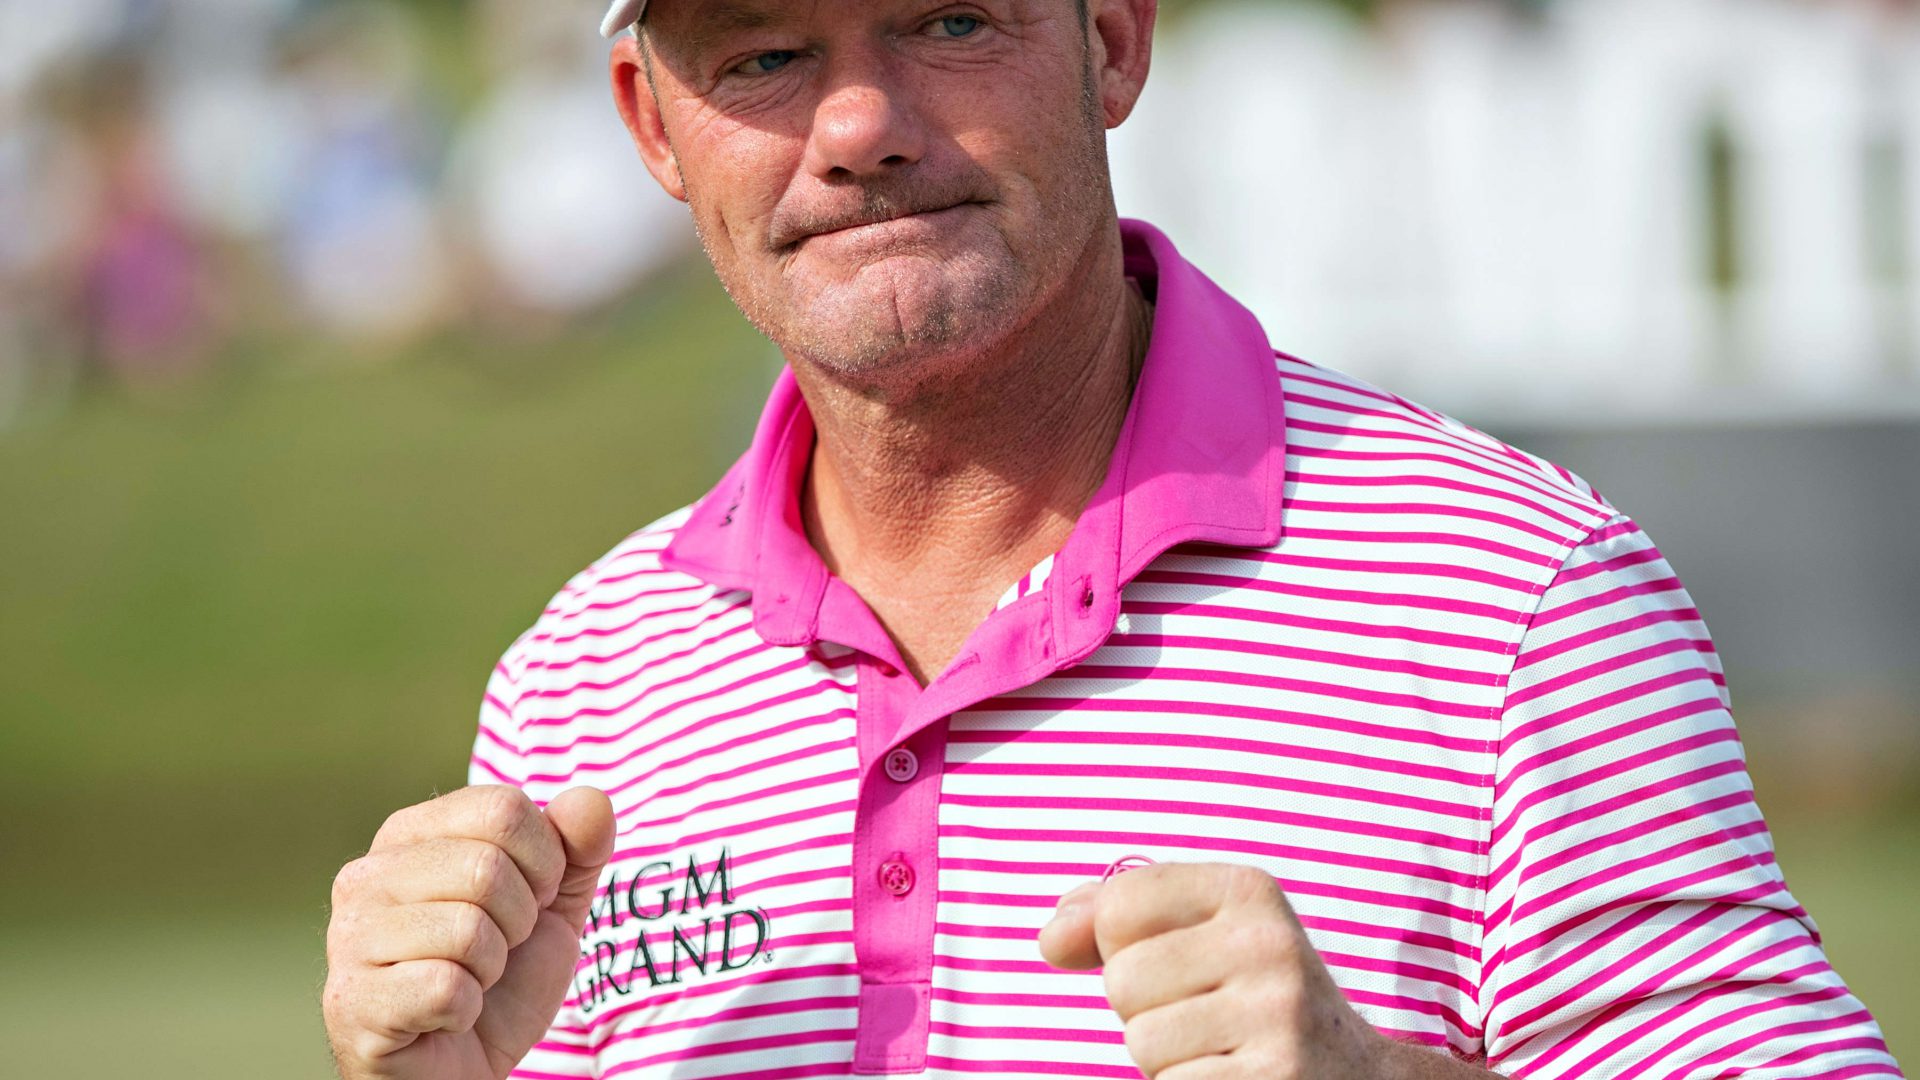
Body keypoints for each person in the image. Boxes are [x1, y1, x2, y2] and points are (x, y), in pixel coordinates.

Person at [320, 1, 1907, 1078]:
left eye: (951, 18)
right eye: (764, 53)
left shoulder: (1518, 592)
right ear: (653, 132)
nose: (861, 123)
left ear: (1113, 39)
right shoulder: (584, 683)